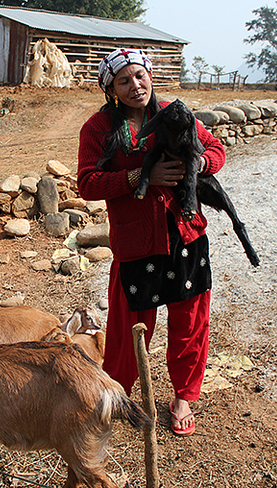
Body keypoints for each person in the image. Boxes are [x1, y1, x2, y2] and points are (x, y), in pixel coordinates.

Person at [76, 48, 226, 436]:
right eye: (123, 80)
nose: (134, 85)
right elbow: (88, 183)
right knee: (129, 326)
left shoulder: (176, 115)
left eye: (139, 76)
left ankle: (183, 397)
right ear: (110, 88)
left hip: (186, 235)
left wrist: (195, 164)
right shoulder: (98, 128)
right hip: (135, 242)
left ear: (151, 76)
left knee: (190, 321)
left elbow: (216, 150)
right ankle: (118, 392)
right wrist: (138, 177)